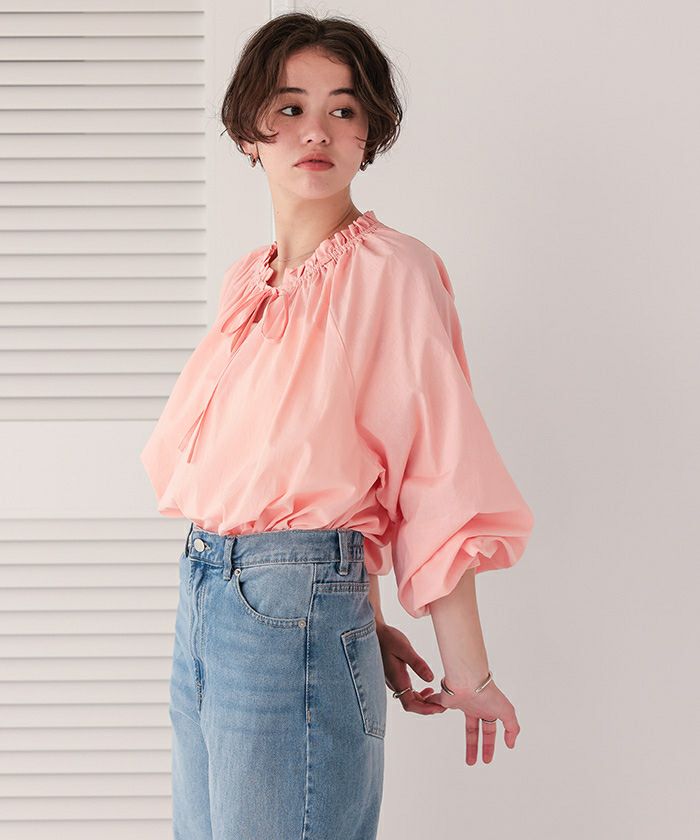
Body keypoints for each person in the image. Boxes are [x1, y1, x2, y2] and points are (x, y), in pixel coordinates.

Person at [140, 11, 535, 840]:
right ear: (248, 132)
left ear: (369, 134)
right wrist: (361, 615)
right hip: (211, 599)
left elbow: (433, 469)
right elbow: (339, 462)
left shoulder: (393, 271)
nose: (315, 130)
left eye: (342, 109)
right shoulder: (249, 281)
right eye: (289, 108)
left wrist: (467, 671)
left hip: (290, 606)